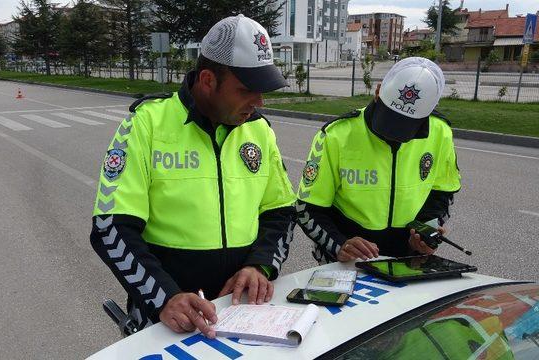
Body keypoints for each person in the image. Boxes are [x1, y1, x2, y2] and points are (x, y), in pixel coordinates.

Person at [90, 14, 296, 338]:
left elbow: (281, 212)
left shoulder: (259, 131)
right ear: (207, 81)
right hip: (166, 320)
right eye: (246, 90)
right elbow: (110, 227)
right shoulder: (146, 125)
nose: (259, 102)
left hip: (242, 315)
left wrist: (260, 265)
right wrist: (164, 296)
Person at [296, 57, 461, 263]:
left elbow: (442, 192)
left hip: (407, 258)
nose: (392, 135)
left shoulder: (440, 132)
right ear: (378, 91)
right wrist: (339, 244)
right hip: (346, 261)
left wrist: (426, 231)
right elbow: (307, 207)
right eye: (389, 118)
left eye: (405, 127)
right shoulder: (336, 135)